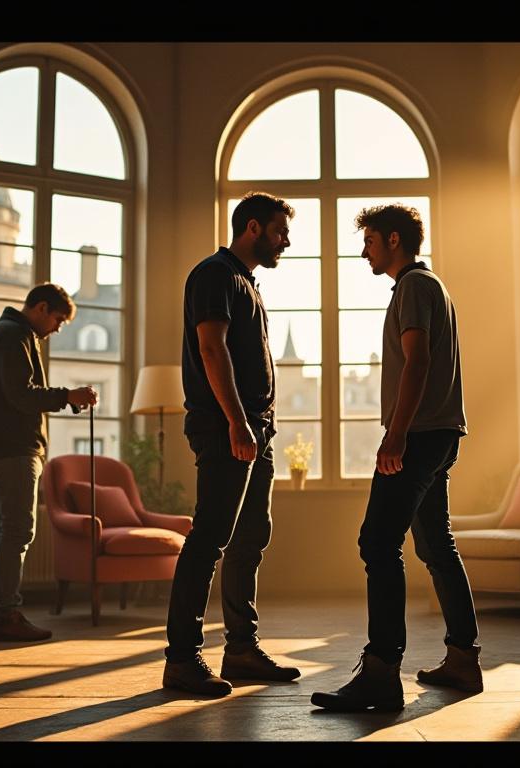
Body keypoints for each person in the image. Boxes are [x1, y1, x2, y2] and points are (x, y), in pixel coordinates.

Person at [311, 204, 481, 713]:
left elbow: (419, 359)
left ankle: (382, 671)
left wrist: (396, 436)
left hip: (421, 434)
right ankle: (462, 659)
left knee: (377, 542)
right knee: (435, 543)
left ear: (390, 239)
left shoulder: (412, 287)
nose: (363, 251)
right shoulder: (433, 286)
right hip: (442, 433)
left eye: (368, 242)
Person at [163, 192, 301, 696]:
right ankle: (181, 659)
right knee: (210, 539)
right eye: (279, 231)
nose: (285, 241)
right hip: (229, 429)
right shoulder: (215, 275)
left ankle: (241, 650)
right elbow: (211, 347)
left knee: (249, 539)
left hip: (254, 431)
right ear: (251, 228)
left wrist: (256, 427)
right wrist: (237, 423)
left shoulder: (247, 282)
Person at [0, 283, 97, 641]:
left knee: (5, 530)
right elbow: (21, 395)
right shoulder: (14, 336)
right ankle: (6, 614)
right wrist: (68, 395)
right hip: (13, 449)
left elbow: (14, 394)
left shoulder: (5, 333)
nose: (57, 328)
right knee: (18, 531)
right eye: (58, 320)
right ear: (41, 308)